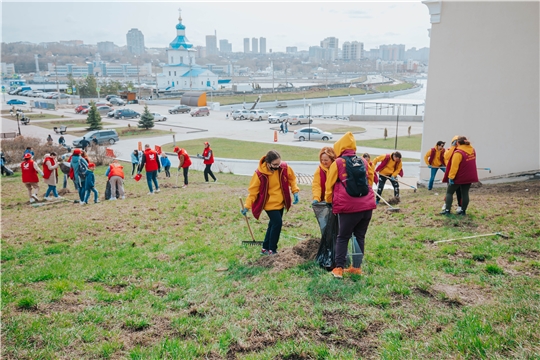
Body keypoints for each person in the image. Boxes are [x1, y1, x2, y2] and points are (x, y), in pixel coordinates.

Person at [324, 132, 376, 278]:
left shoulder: (338, 163)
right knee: (360, 236)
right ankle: (356, 267)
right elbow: (370, 178)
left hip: (348, 208)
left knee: (343, 237)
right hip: (367, 207)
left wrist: (329, 201)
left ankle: (339, 268)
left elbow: (329, 184)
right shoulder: (363, 161)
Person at [241, 150, 300, 256]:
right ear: (268, 163)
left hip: (280, 202)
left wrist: (295, 191)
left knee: (272, 224)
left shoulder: (284, 168)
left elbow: (292, 179)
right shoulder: (259, 174)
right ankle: (272, 249)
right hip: (269, 204)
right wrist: (247, 206)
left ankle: (265, 248)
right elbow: (253, 192)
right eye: (275, 164)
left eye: (279, 163)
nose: (278, 166)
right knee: (277, 223)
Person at [441, 136, 478, 216]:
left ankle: (447, 210)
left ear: (457, 143)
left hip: (459, 176)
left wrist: (451, 177)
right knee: (465, 193)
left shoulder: (458, 153)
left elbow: (454, 167)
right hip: (469, 176)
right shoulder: (472, 150)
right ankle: (463, 211)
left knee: (449, 192)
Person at [442, 136, 463, 213]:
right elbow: (447, 156)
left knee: (459, 191)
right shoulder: (449, 150)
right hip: (450, 174)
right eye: (455, 142)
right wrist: (453, 147)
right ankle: (447, 205)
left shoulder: (461, 151)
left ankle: (460, 206)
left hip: (459, 174)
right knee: (449, 191)